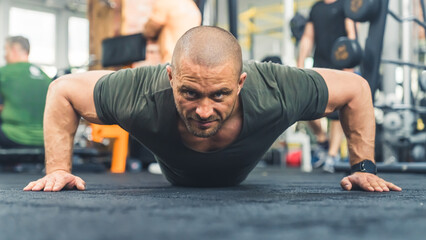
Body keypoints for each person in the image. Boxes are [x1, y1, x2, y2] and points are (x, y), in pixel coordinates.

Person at [24, 26, 401, 192]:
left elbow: (356, 88)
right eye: (189, 93)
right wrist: (59, 169)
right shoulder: (139, 91)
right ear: (170, 78)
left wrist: (363, 167)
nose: (204, 111)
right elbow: (62, 91)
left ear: (241, 83)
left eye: (219, 95)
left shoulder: (277, 87)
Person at [297, 0, 357, 172]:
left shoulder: (344, 5)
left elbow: (352, 33)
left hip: (341, 61)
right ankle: (322, 140)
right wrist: (300, 63)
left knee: (337, 113)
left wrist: (350, 62)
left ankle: (332, 155)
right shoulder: (316, 8)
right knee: (306, 106)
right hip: (320, 63)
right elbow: (308, 37)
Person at [0, 36, 51, 148]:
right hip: (45, 139)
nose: (4, 55)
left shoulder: (4, 72)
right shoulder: (46, 77)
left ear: (13, 49)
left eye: (5, 50)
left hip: (13, 136)